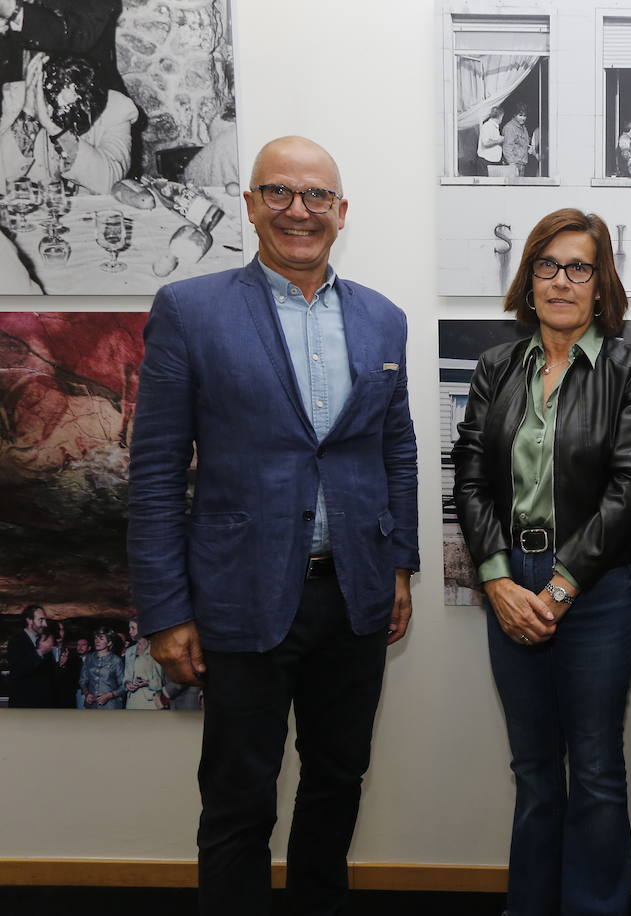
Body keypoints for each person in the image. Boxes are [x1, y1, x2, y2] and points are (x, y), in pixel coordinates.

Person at [126, 136, 419, 915]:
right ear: (251, 205)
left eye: (317, 196)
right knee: (238, 799)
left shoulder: (384, 320)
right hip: (238, 596)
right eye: (280, 193)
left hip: (353, 599)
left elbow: (396, 449)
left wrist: (398, 567)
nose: (300, 210)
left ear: (341, 212)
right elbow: (154, 472)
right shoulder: (190, 311)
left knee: (336, 785)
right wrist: (166, 608)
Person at [452, 208, 631, 916]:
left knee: (597, 770)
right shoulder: (496, 366)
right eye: (548, 265)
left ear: (601, 284)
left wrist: (567, 584)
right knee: (535, 771)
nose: (562, 281)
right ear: (529, 279)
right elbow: (472, 478)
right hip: (511, 582)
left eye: (579, 267)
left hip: (596, 591)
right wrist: (498, 580)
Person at [0, 52, 137, 194]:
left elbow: (109, 182)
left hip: (90, 212)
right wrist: (29, 115)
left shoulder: (116, 108)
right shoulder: (21, 99)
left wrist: (55, 129)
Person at [6, 603, 56, 707]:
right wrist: (40, 652)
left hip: (44, 706)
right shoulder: (16, 641)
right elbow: (17, 670)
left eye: (45, 620)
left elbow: (49, 675)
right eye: (41, 620)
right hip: (24, 706)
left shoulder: (44, 640)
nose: (45, 624)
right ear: (29, 620)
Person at [79, 626, 125, 709]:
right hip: (92, 705)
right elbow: (83, 680)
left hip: (111, 706)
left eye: (101, 638)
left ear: (109, 643)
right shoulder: (89, 658)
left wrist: (109, 695)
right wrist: (87, 694)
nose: (97, 641)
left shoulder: (116, 660)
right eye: (96, 638)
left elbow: (123, 686)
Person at [123, 627, 164, 709]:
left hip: (150, 701)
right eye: (129, 628)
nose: (130, 631)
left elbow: (160, 682)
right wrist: (127, 684)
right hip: (132, 701)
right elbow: (126, 677)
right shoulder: (129, 651)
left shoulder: (155, 650)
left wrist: (147, 683)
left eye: (133, 628)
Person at [501, 102, 531, 175]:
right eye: (520, 115)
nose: (523, 118)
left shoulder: (523, 128)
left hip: (522, 164)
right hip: (514, 165)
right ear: (514, 115)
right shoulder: (510, 128)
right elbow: (507, 147)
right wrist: (512, 165)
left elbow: (523, 143)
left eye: (525, 116)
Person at [478, 105, 504, 174]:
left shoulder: (494, 127)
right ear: (500, 116)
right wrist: (499, 141)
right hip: (486, 162)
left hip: (493, 161)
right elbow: (485, 143)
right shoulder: (487, 126)